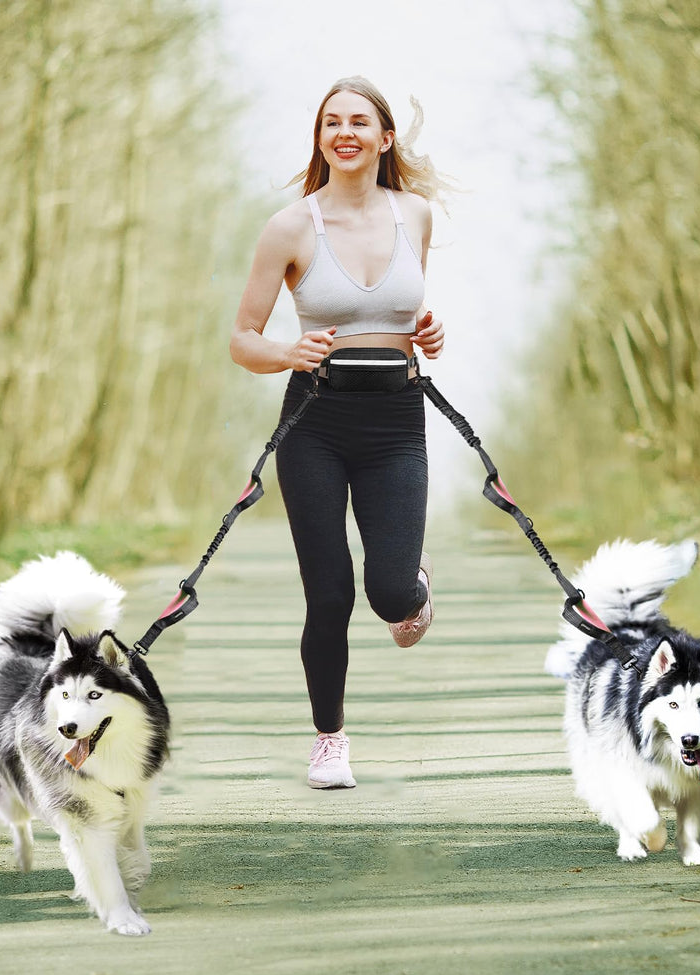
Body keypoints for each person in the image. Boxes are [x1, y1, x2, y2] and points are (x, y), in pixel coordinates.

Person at [230, 76, 446, 790]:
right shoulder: (291, 227)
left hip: (395, 420)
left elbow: (406, 309)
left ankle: (412, 581)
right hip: (314, 421)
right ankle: (329, 740)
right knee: (328, 595)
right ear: (321, 139)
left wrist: (429, 330)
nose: (344, 132)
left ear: (386, 138)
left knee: (388, 596)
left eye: (359, 121)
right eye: (331, 123)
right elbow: (243, 339)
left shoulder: (415, 215)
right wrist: (287, 353)